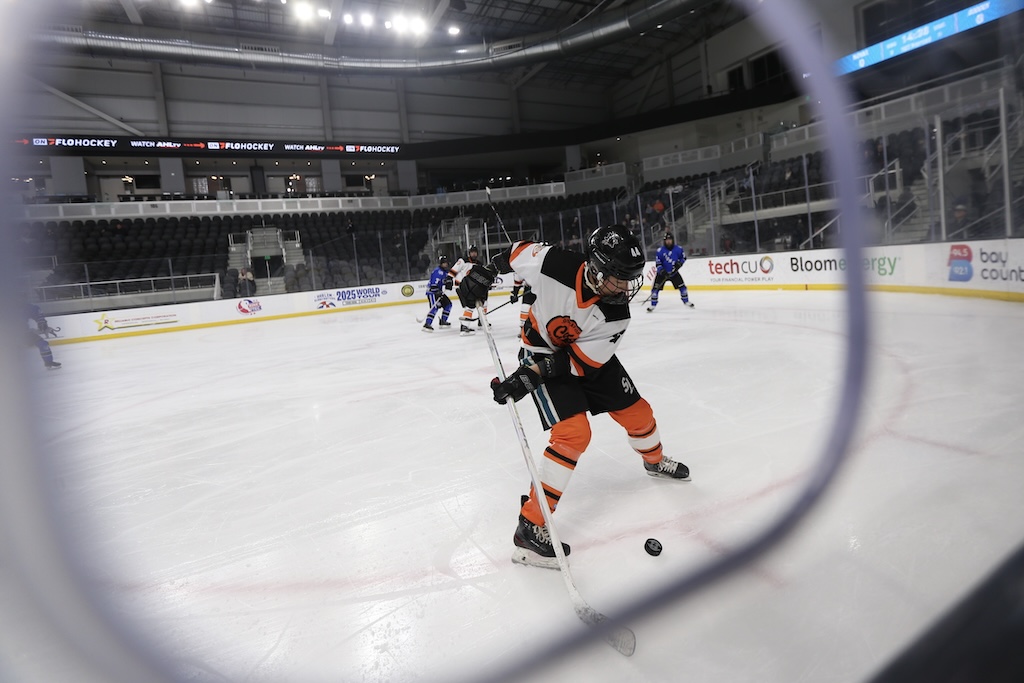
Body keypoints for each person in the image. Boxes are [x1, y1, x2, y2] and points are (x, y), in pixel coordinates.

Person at [458, 225, 690, 570]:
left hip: (580, 361)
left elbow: (576, 365)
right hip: (540, 351)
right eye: (618, 278)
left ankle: (654, 460)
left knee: (640, 414)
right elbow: (514, 254)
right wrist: (486, 272)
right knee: (574, 434)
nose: (626, 288)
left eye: (630, 279)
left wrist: (529, 379)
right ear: (595, 268)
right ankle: (530, 527)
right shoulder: (552, 262)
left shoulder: (616, 314)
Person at [647, 231, 694, 312]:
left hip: (674, 273)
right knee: (655, 290)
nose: (668, 241)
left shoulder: (678, 249)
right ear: (664, 241)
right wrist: (662, 271)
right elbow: (658, 263)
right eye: (666, 240)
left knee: (683, 288)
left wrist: (679, 264)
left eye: (670, 239)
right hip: (662, 274)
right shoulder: (660, 251)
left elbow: (683, 258)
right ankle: (653, 305)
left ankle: (686, 301)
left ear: (672, 240)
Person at [449, 245, 483, 336]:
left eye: (475, 252)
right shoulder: (463, 261)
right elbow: (454, 270)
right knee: (470, 306)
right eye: (472, 252)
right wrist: (448, 279)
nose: (474, 253)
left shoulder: (479, 264)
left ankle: (475, 323)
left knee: (477, 305)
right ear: (469, 253)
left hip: (471, 288)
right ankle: (464, 327)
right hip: (462, 287)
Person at [422, 255, 454, 332]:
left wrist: (449, 283)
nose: (445, 264)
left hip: (438, 292)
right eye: (443, 263)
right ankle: (427, 324)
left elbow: (446, 281)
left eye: (446, 263)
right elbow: (433, 286)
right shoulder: (437, 272)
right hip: (432, 293)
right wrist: (438, 292)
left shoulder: (446, 272)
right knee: (434, 307)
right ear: (440, 264)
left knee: (448, 304)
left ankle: (443, 321)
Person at [26, 303, 61, 370]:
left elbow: (37, 312)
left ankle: (48, 362)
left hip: (23, 332)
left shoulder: (26, 307)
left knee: (43, 344)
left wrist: (41, 321)